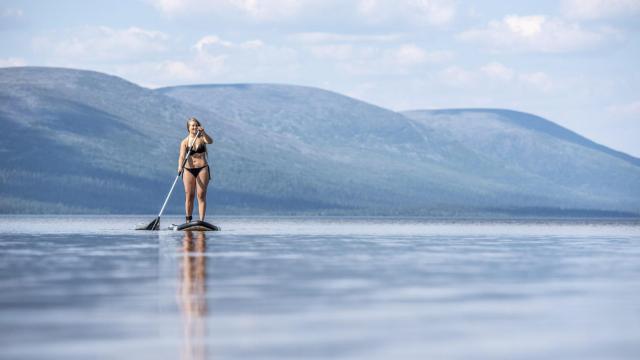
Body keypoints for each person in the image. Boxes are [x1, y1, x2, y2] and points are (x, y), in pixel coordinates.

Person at [178, 117, 213, 223]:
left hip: (202, 169)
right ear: (188, 128)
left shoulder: (202, 138)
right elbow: (181, 156)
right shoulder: (184, 142)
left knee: (201, 195)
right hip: (189, 170)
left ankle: (201, 220)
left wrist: (204, 132)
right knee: (189, 195)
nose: (194, 127)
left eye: (195, 125)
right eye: (192, 125)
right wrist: (180, 166)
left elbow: (210, 141)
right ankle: (188, 220)